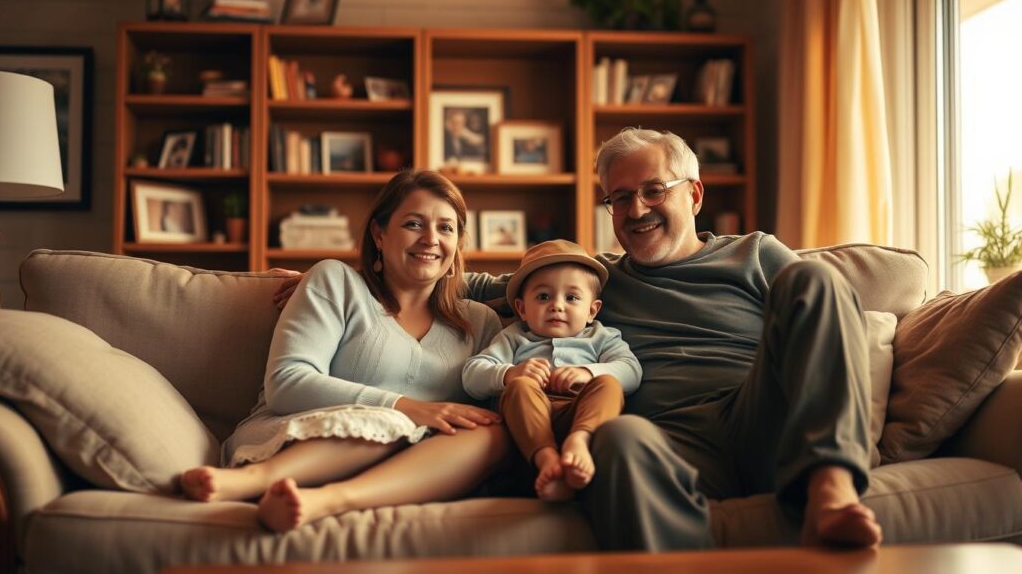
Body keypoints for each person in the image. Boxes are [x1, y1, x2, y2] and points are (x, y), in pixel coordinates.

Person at [273, 128, 882, 551]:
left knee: (815, 278)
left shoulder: (756, 254)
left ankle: (829, 488)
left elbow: (824, 322)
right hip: (667, 441)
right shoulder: (594, 278)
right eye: (619, 198)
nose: (636, 208)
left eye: (653, 191)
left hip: (758, 413)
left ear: (694, 193)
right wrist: (354, 275)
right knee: (615, 437)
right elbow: (476, 279)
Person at [183, 170, 507, 533]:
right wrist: (408, 408)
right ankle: (254, 480)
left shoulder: (481, 322)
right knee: (391, 422)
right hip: (299, 442)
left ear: (459, 243)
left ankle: (323, 502)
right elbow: (285, 383)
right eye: (414, 223)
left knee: (491, 435)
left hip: (407, 468)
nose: (431, 238)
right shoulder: (335, 281)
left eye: (446, 228)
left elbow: (557, 289)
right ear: (379, 234)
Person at [462, 240, 641, 502]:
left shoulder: (602, 337)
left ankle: (578, 442)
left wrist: (587, 372)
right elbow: (471, 375)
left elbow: (631, 370)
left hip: (579, 415)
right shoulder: (513, 337)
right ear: (522, 309)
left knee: (609, 384)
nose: (557, 305)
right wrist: (511, 373)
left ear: (593, 310)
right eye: (543, 296)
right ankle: (546, 459)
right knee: (520, 388)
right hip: (527, 425)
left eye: (572, 298)